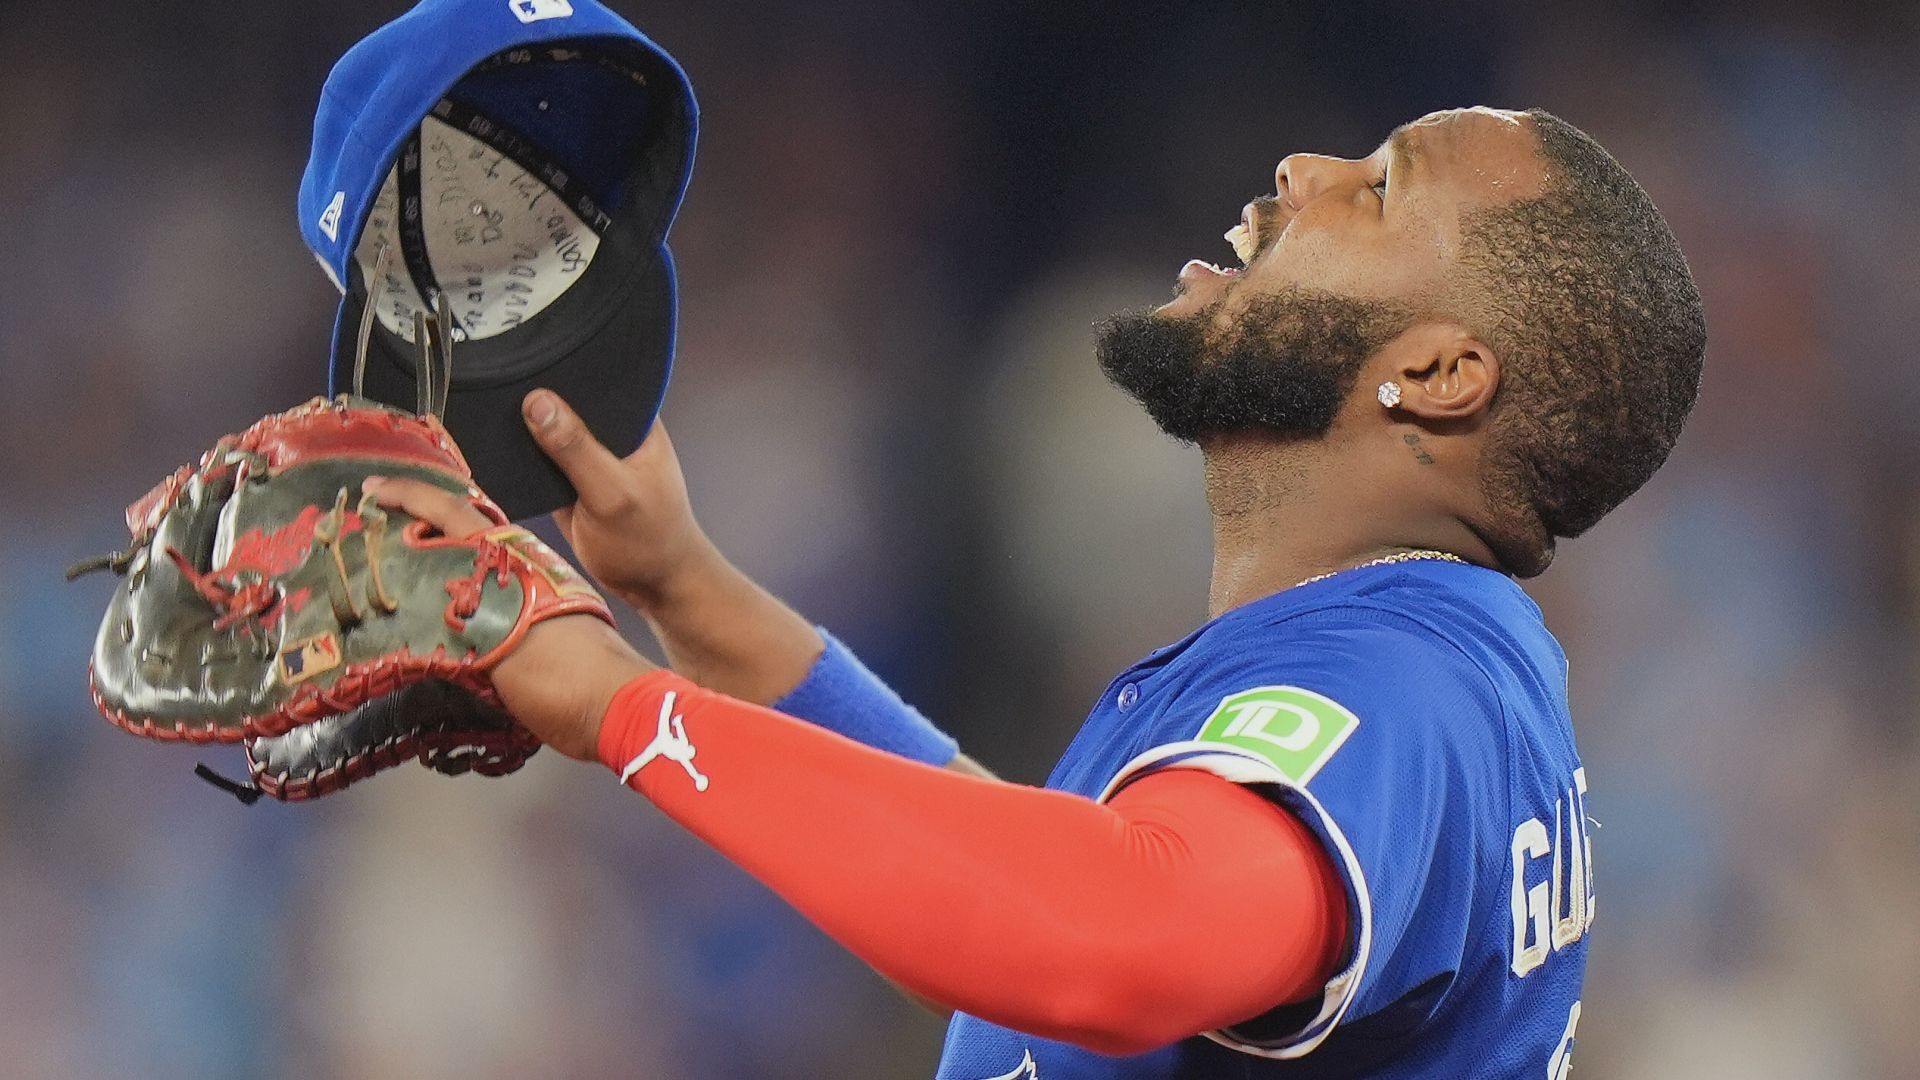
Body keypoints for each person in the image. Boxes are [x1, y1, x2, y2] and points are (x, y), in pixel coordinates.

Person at [363, 106, 1706, 1078]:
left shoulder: (1399, 684)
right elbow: (1017, 912)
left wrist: (611, 700)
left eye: (1379, 188)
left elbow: (1115, 938)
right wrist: (690, 595)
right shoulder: (1412, 655)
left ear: (1440, 375)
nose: (1303, 170)